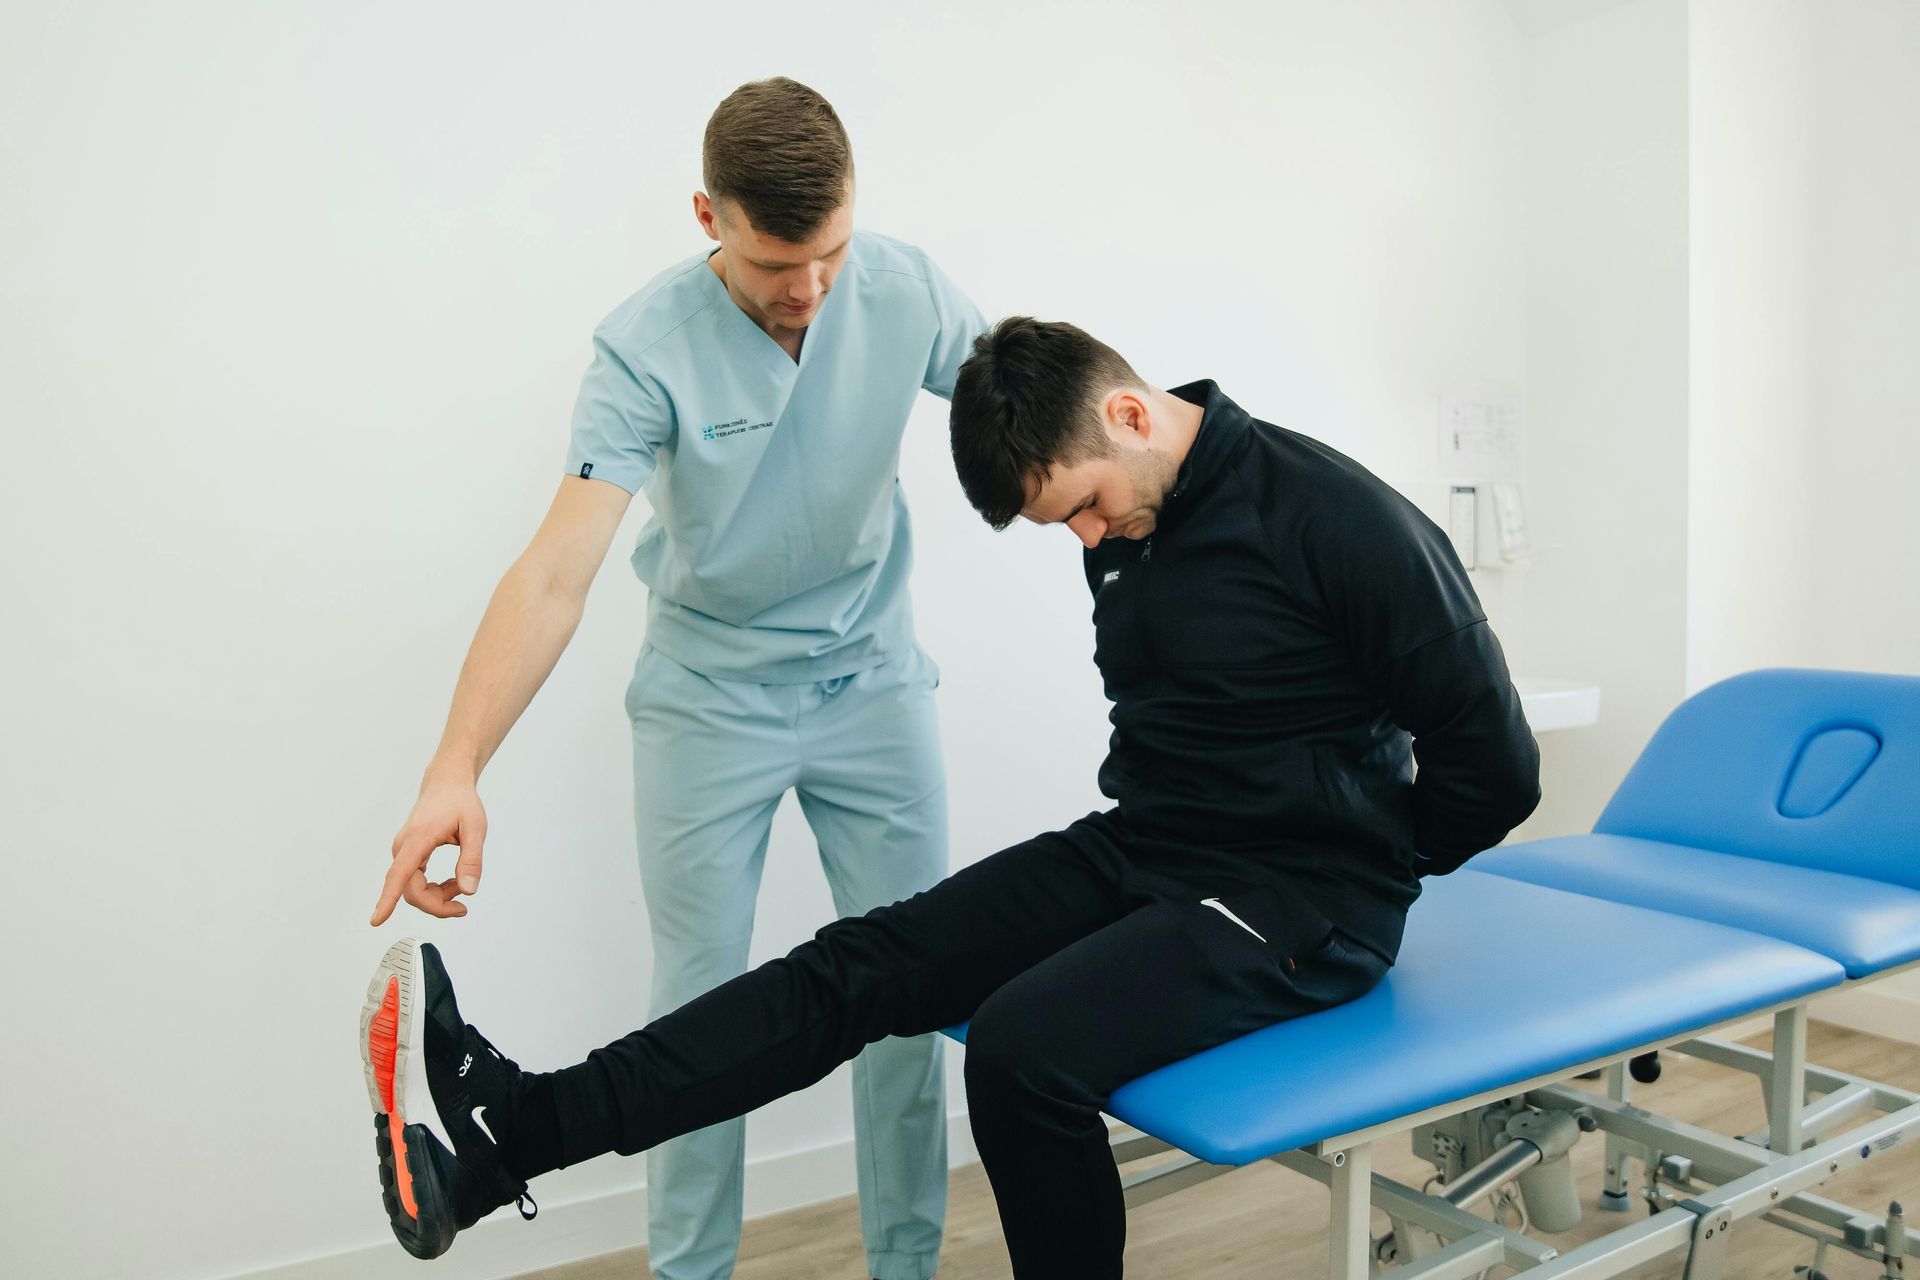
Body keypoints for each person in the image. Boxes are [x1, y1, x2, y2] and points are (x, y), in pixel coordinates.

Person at [360, 317, 1542, 1278]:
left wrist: (1350, 866)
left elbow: (1499, 768)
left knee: (1023, 1049)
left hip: (1304, 895)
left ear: (1130, 414)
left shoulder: (1344, 521)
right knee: (861, 963)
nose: (1086, 533)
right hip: (1152, 844)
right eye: (1064, 522)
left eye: (1084, 505)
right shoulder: (1129, 512)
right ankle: (508, 1132)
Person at [365, 78, 987, 1280]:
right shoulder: (644, 346)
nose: (808, 290)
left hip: (873, 685)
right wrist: (457, 762)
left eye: (830, 253)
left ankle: (907, 1264)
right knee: (698, 1015)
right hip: (711, 701)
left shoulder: (901, 286)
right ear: (708, 216)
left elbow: (1036, 402)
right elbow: (557, 571)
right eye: (772, 264)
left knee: (914, 993)